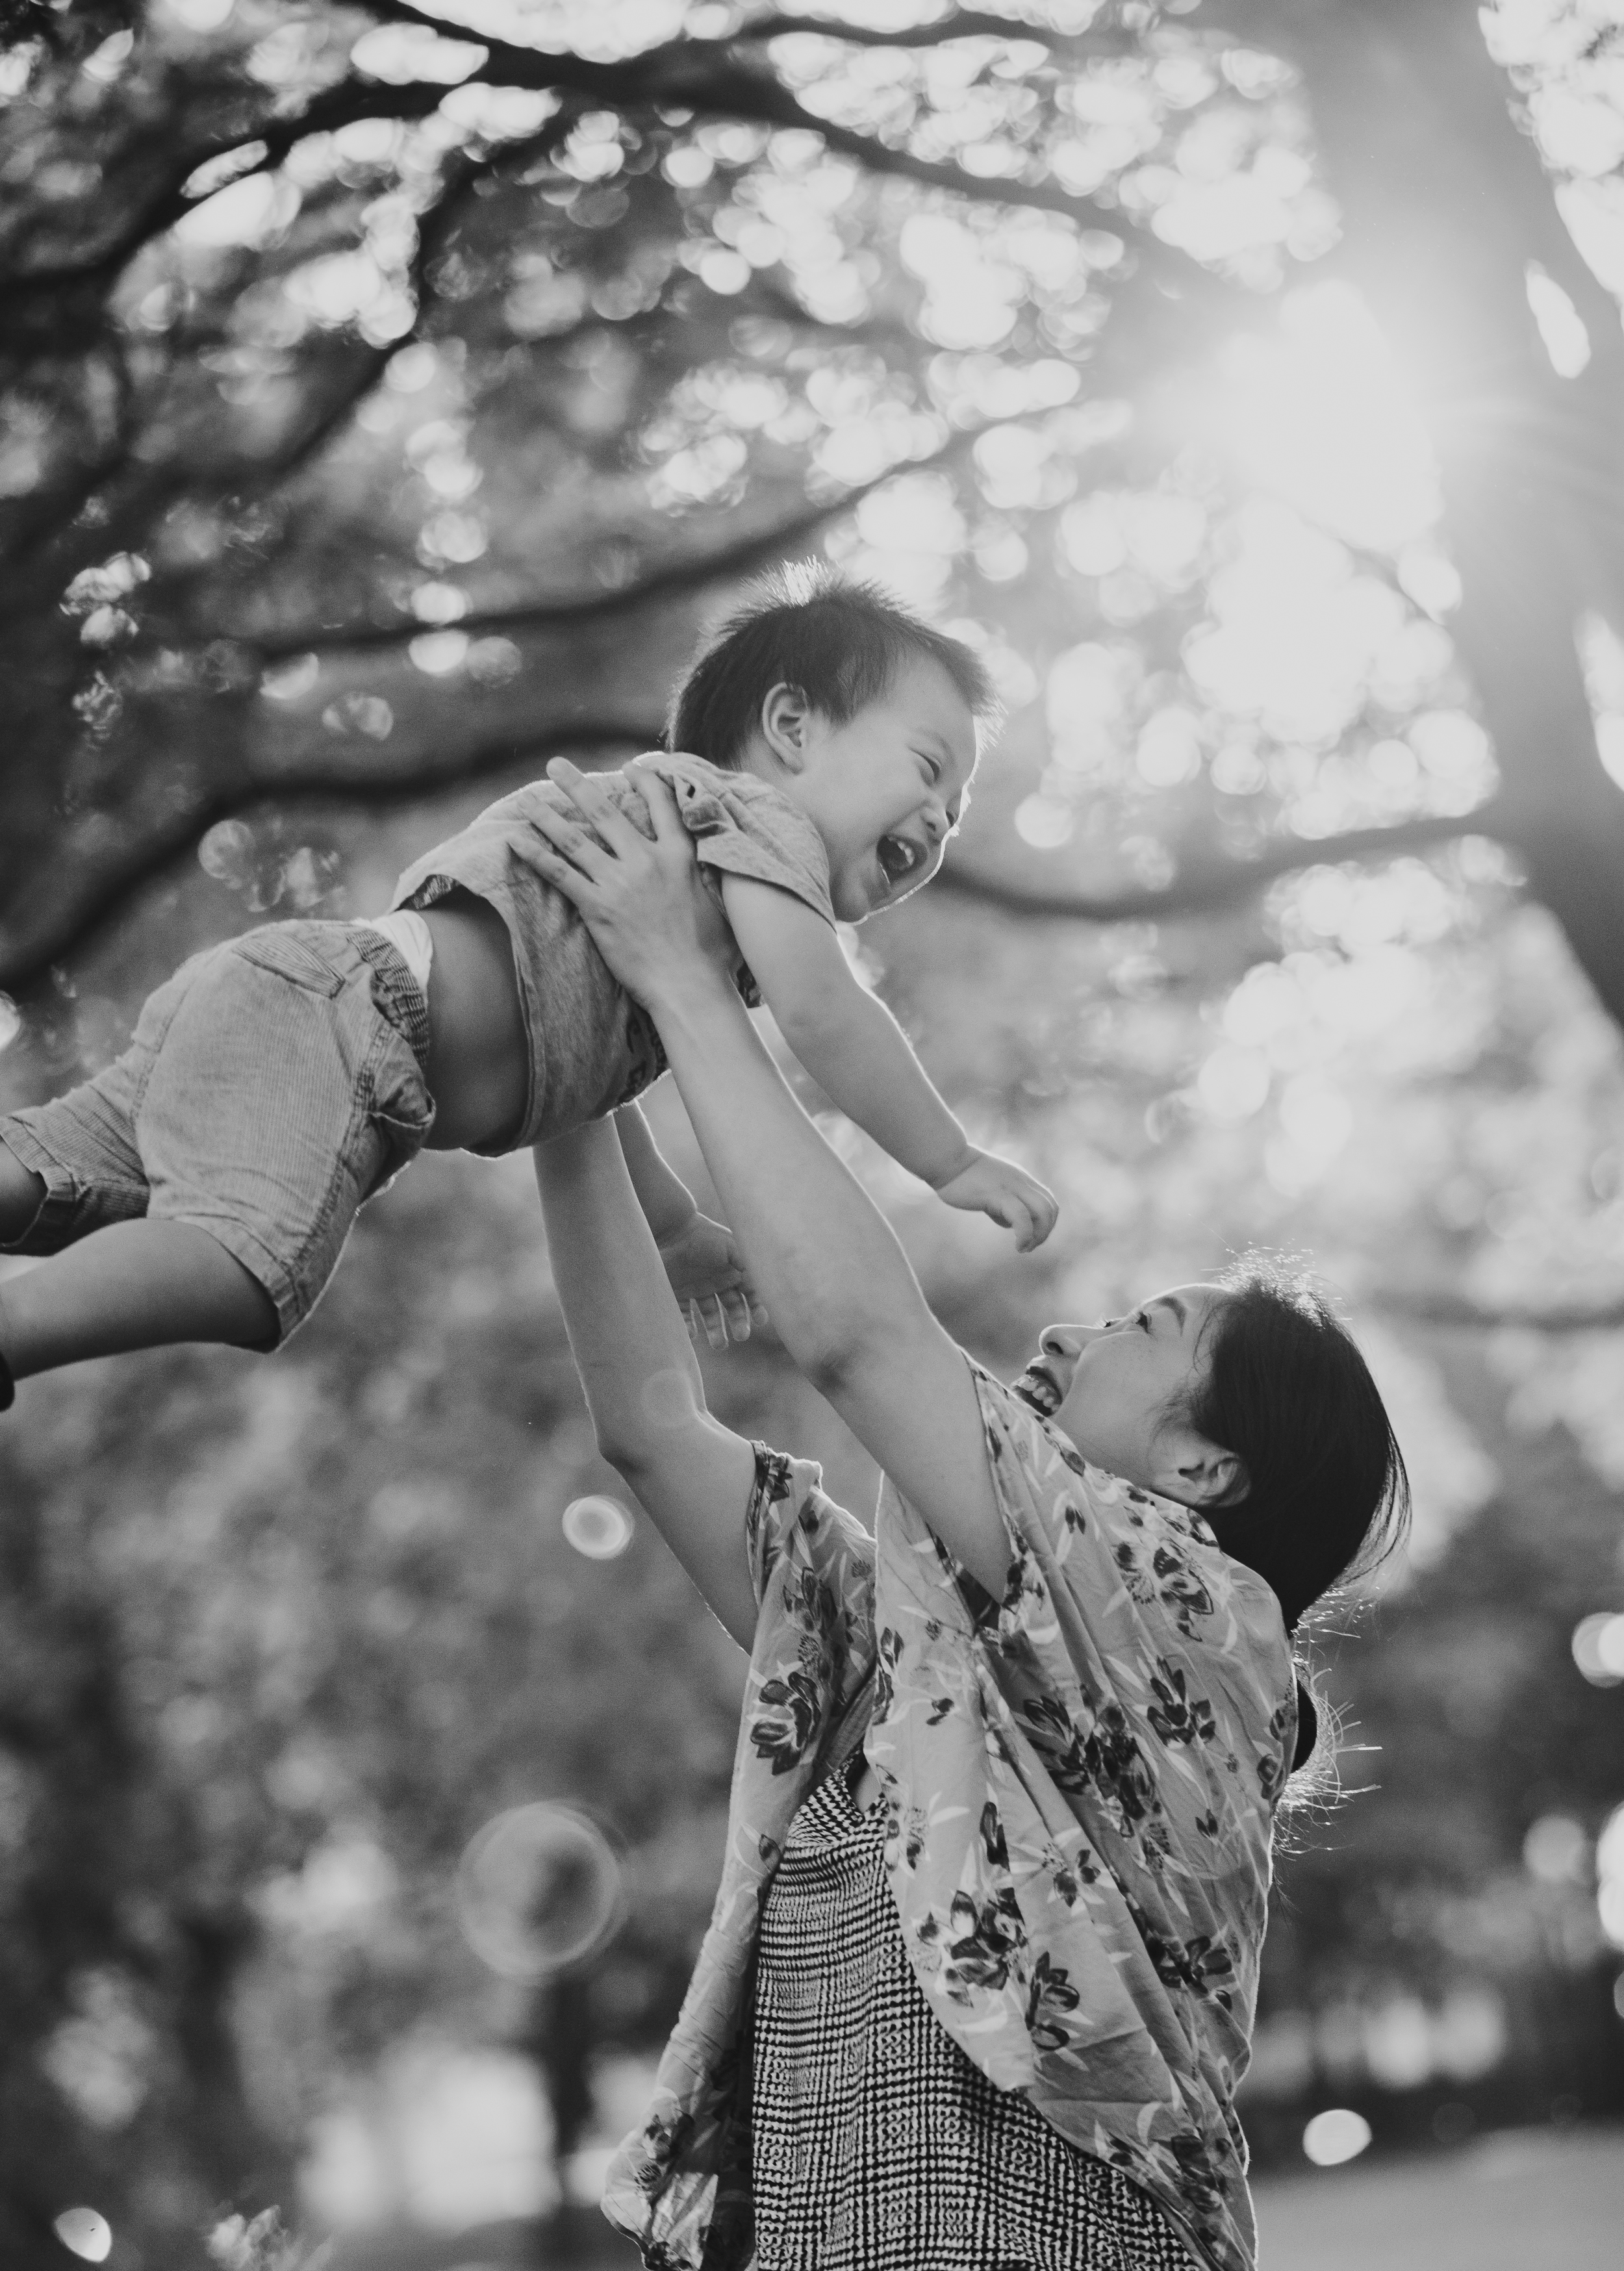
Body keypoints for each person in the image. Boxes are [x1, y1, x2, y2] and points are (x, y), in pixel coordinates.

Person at [527, 768, 1410, 2271]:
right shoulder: (939, 1656)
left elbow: (861, 1338)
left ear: (1204, 1474)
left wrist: (681, 979)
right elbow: (655, 1428)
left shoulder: (1195, 1622)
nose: (1076, 1326)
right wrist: (571, 1068)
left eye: (1143, 1324)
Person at [0, 569, 1055, 1409]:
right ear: (792, 728)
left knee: (58, 1170)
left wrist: (677, 1229)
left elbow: (586, 1078)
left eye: (956, 811)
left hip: (289, 994)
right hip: (349, 1024)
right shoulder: (755, 824)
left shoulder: (677, 878)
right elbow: (829, 1011)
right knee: (244, 1263)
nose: (940, 820)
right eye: (927, 766)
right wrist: (944, 1156)